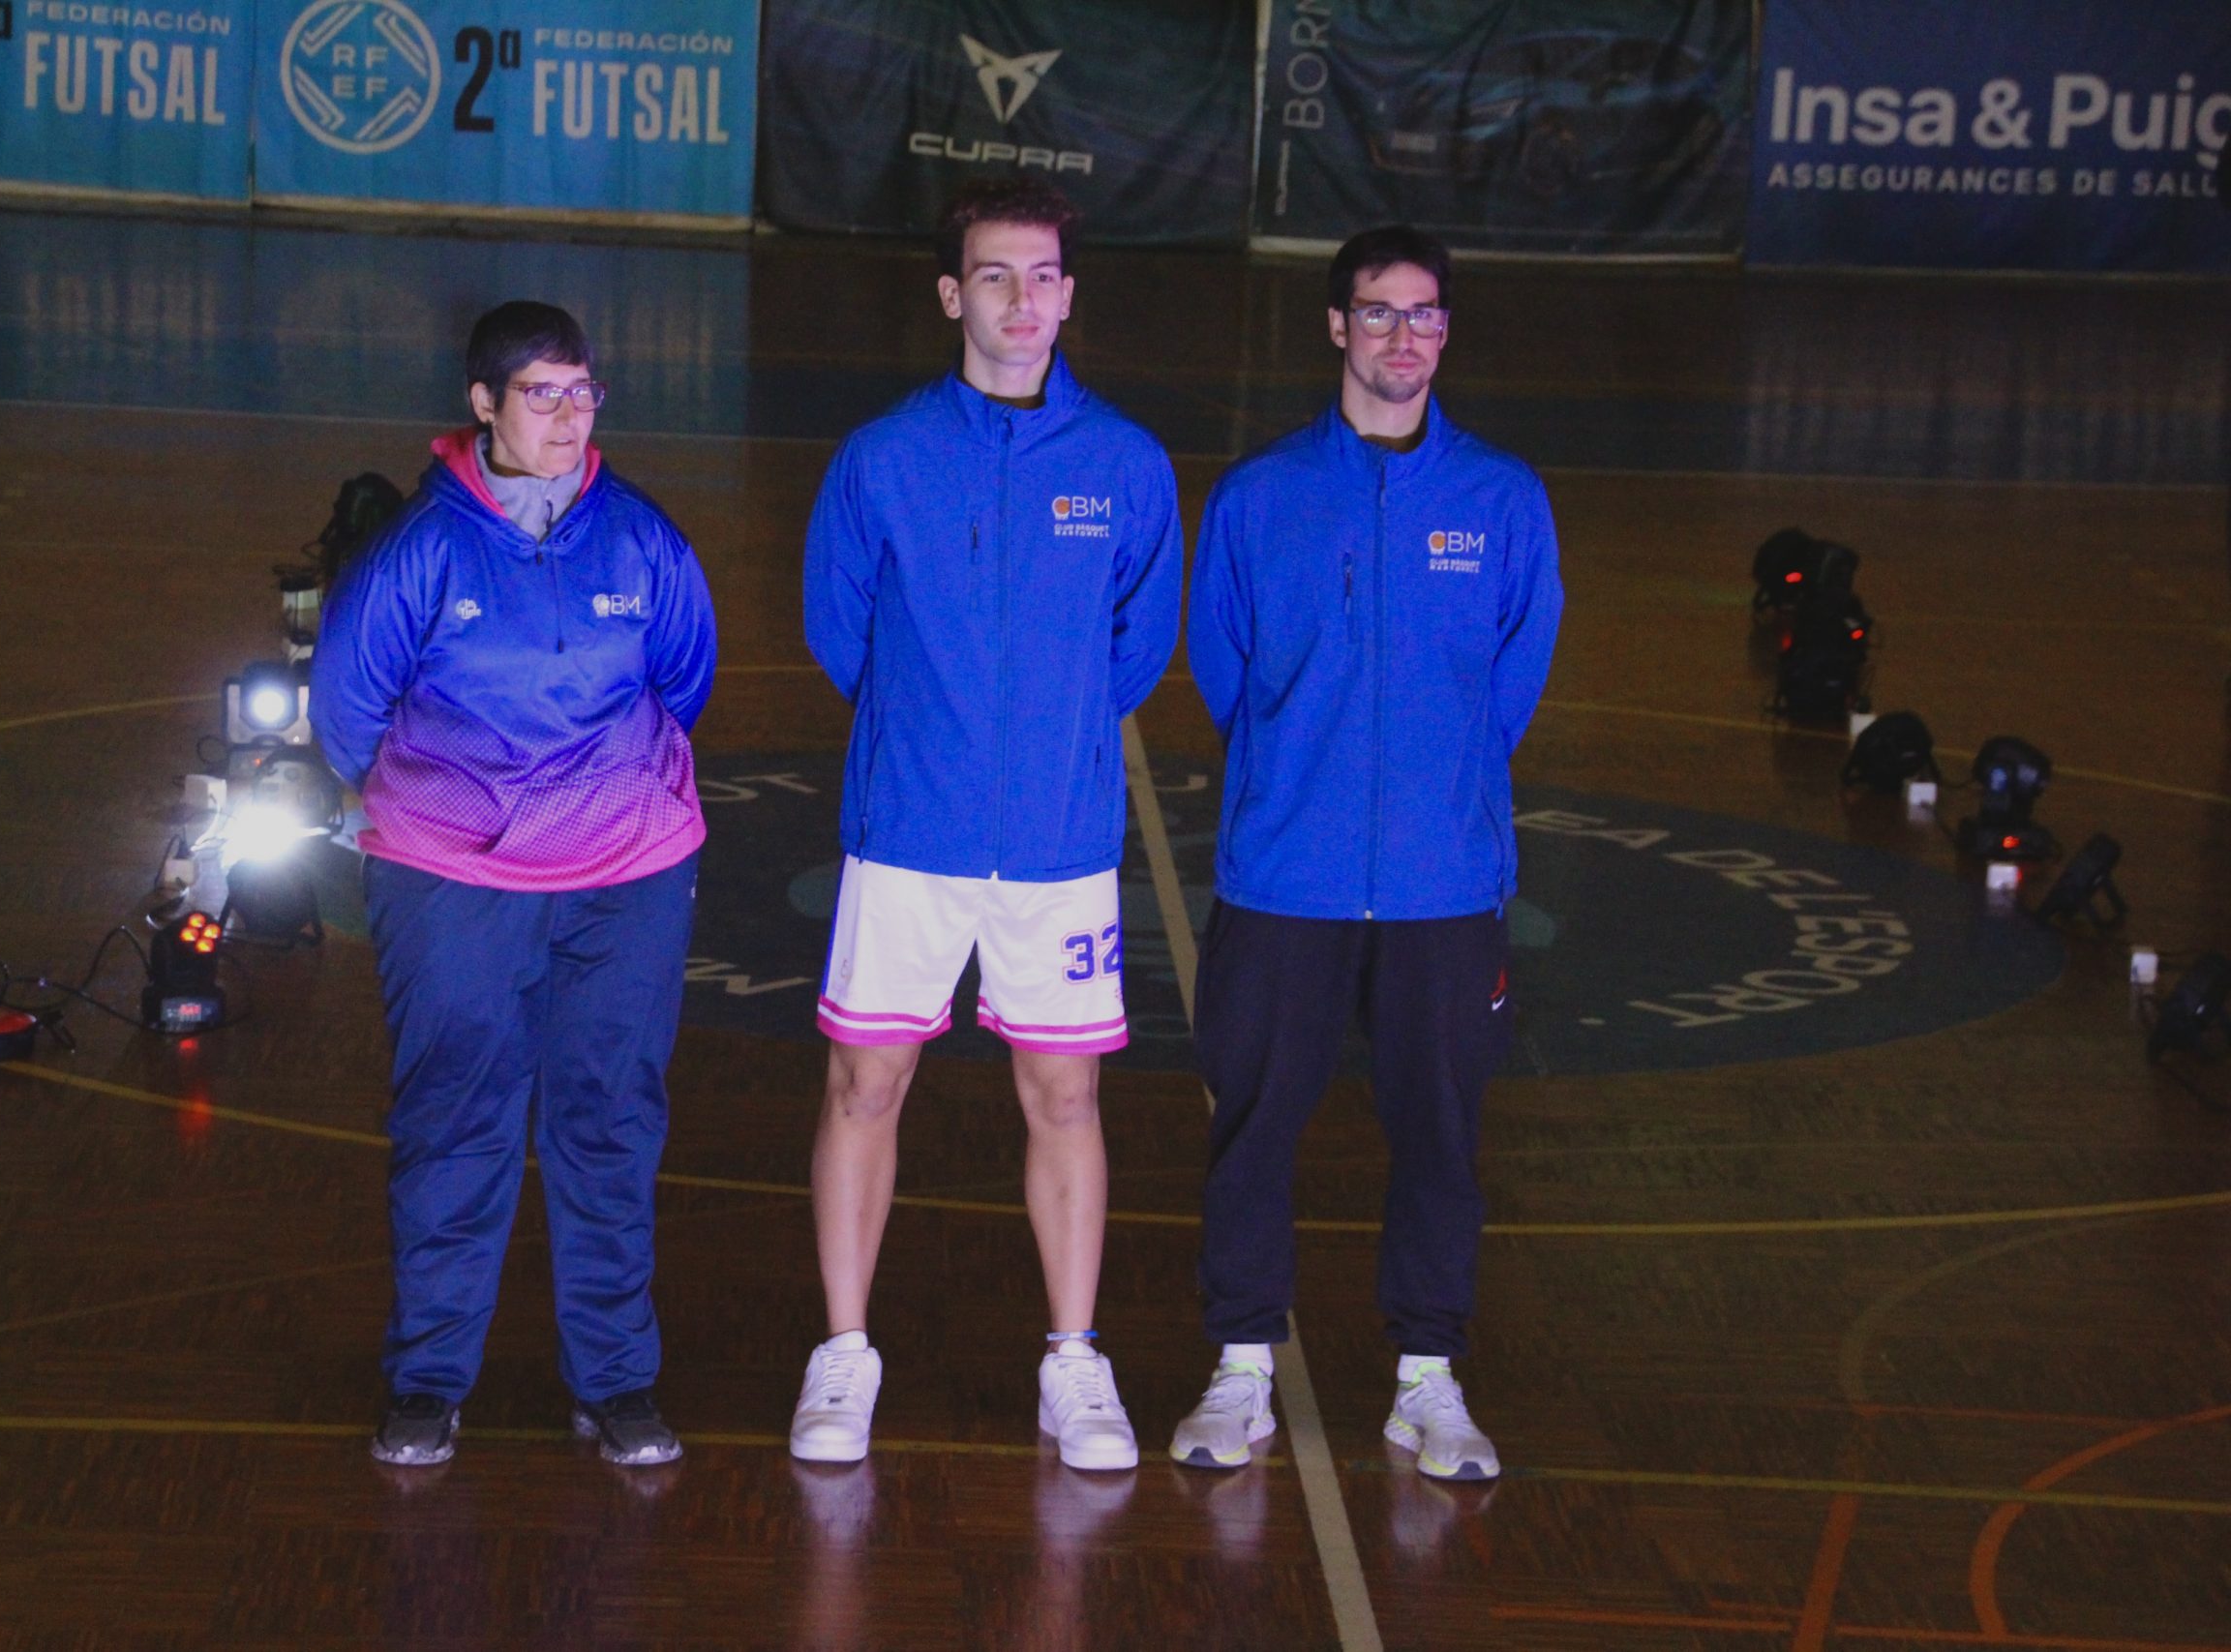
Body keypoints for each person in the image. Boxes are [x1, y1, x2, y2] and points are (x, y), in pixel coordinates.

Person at [791, 179, 1182, 1471]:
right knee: (866, 1081)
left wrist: (1046, 741)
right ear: (952, 293)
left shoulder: (1125, 464)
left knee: (1065, 1094)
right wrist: (933, 737)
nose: (1023, 299)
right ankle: (844, 1353)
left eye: (1044, 275)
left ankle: (1073, 1361)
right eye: (996, 275)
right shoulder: (882, 457)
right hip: (908, 830)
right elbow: (840, 631)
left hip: (1060, 845)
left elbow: (1136, 650)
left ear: (1070, 294)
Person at [1169, 225, 1562, 1481]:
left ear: (1445, 330)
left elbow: (1511, 680)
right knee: (1252, 1128)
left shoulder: (1501, 499)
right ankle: (1239, 1370)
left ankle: (1427, 1381)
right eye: (1380, 312)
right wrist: (1306, 782)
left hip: (1445, 887)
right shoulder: (1260, 495)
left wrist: (1434, 797)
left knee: (1442, 1135)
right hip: (1285, 878)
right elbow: (1225, 669)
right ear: (1337, 326)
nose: (1405, 335)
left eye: (1425, 313)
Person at [314, 300, 716, 1470]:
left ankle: (617, 1383)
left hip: (627, 876)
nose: (569, 416)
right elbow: (345, 718)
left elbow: (684, 681)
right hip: (452, 881)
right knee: (455, 1120)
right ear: (483, 405)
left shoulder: (642, 541)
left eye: (583, 392)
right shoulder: (417, 553)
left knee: (611, 1121)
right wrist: (457, 808)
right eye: (542, 394)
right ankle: (428, 1382)